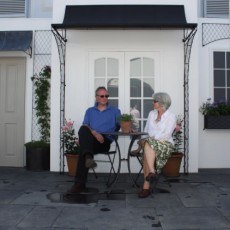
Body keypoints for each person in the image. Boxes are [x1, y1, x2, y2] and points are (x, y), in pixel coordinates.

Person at [67, 86, 121, 194]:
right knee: (83, 129)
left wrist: (130, 128)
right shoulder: (90, 111)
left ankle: (79, 184)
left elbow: (122, 125)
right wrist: (94, 133)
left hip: (104, 141)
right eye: (102, 96)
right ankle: (88, 157)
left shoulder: (115, 111)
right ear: (96, 97)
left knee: (84, 148)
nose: (104, 98)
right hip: (92, 139)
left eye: (106, 96)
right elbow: (86, 125)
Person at [138, 92, 176, 198]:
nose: (153, 103)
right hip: (150, 145)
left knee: (148, 144)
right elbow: (146, 130)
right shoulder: (151, 114)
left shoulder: (171, 116)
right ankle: (151, 173)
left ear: (162, 103)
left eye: (155, 101)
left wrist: (152, 138)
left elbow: (166, 135)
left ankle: (146, 186)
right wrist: (149, 139)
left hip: (165, 144)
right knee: (147, 146)